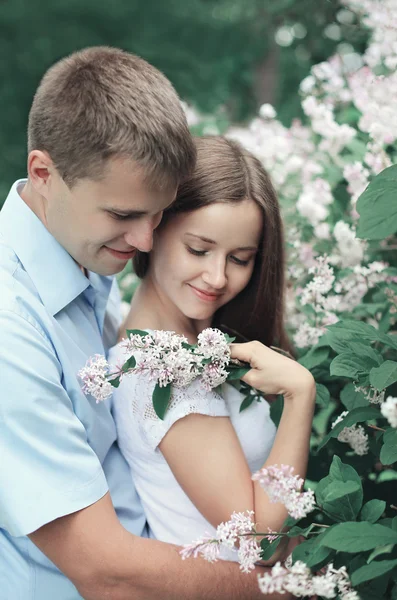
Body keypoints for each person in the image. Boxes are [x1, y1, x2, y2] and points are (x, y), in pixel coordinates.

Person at [0, 46, 298, 600]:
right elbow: (105, 571)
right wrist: (281, 588)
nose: (144, 241)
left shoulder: (87, 265)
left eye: (157, 214)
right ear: (43, 173)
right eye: (123, 215)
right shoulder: (10, 329)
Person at [109, 136, 316, 555]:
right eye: (199, 250)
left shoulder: (195, 345)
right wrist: (300, 394)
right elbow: (258, 543)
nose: (218, 277)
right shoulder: (162, 373)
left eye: (240, 259)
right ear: (153, 227)